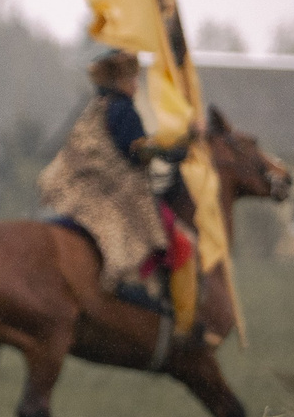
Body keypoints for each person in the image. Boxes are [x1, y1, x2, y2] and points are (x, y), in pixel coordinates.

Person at [36, 46, 199, 331]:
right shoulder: (123, 109)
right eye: (133, 79)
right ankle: (130, 284)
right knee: (168, 233)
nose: (136, 84)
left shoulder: (99, 107)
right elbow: (136, 150)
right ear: (120, 81)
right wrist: (173, 147)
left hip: (95, 182)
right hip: (115, 188)